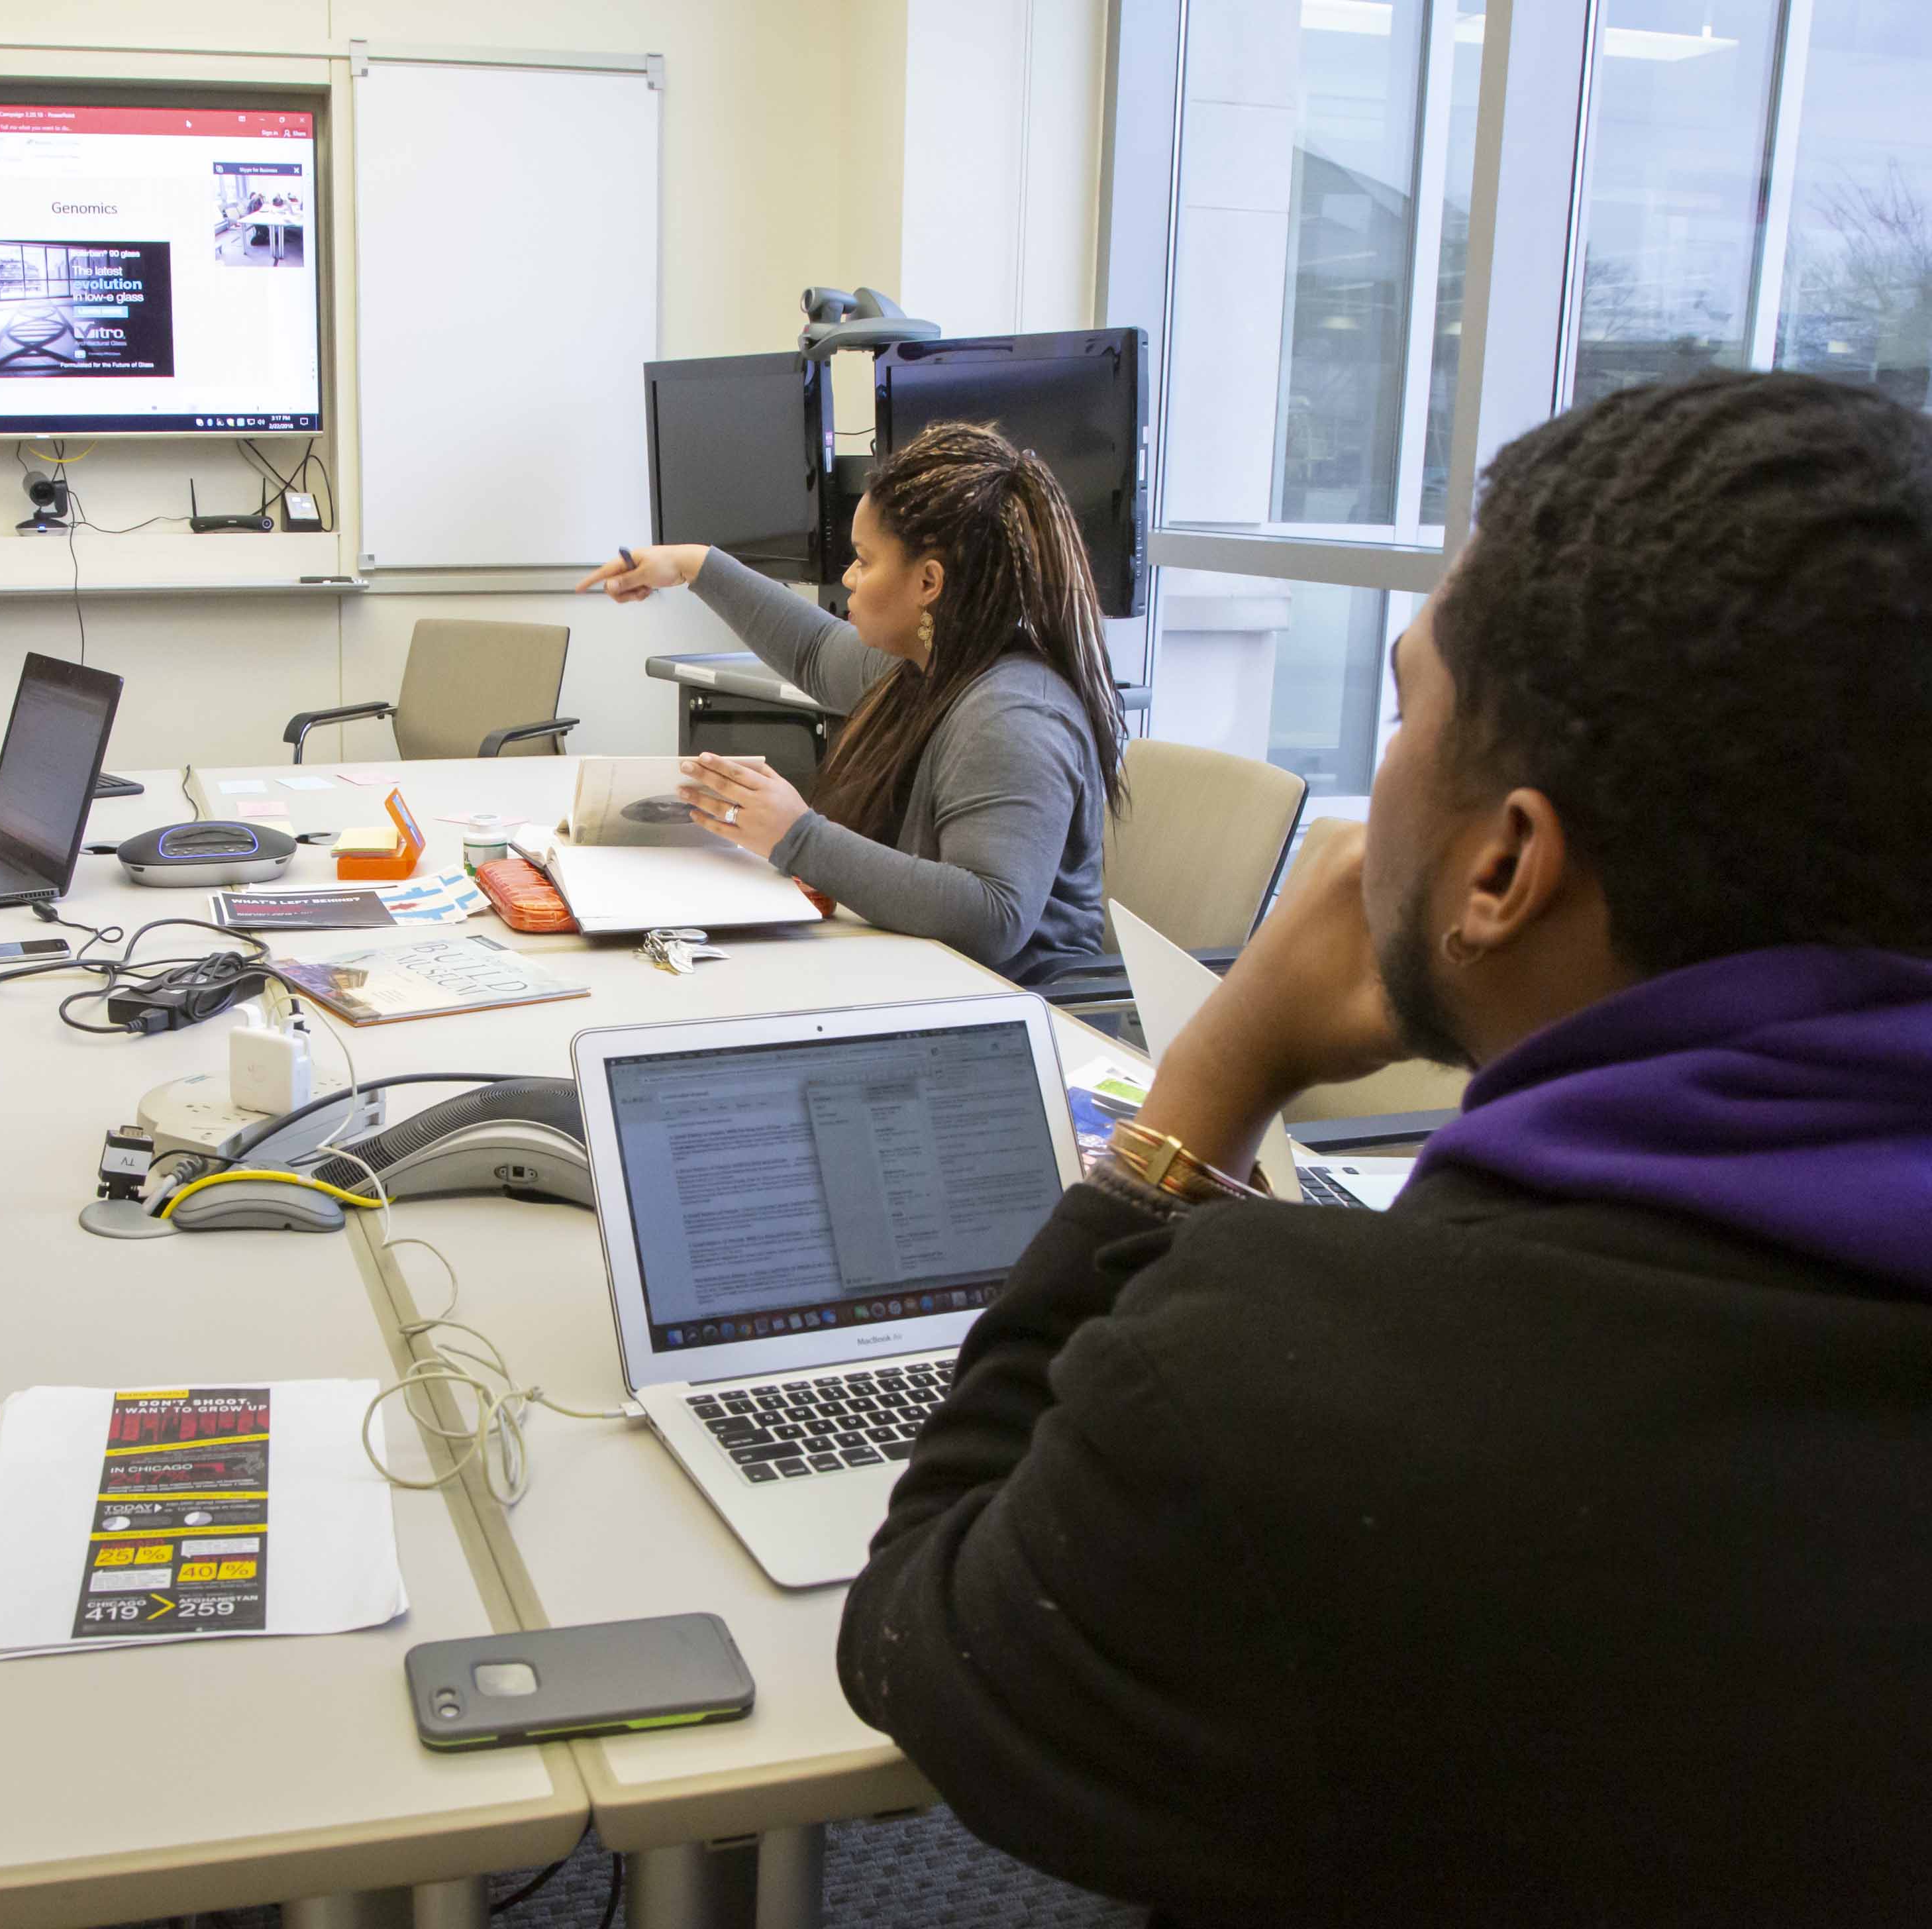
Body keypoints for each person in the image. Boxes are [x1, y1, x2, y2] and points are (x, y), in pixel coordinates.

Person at [836, 371, 1932, 1924]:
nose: (1374, 792)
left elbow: (924, 1635)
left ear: (1506, 866)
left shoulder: (1291, 1384)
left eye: (1407, 704)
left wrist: (1211, 1083)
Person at [578, 421, 1125, 984]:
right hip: (926, 982)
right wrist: (691, 564)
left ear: (929, 582)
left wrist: (797, 835)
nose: (849, 577)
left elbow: (991, 915)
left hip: (1015, 1016)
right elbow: (814, 650)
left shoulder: (1013, 716)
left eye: (865, 560)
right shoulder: (929, 662)